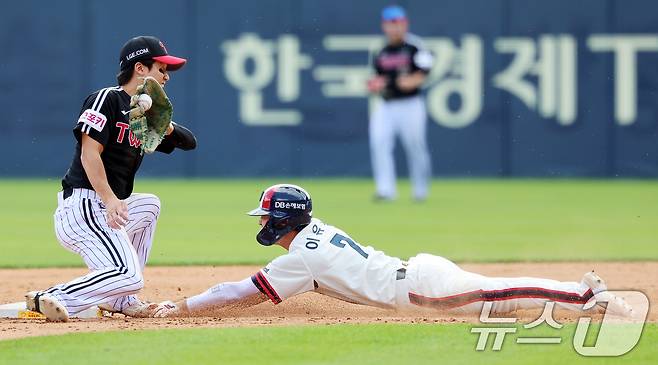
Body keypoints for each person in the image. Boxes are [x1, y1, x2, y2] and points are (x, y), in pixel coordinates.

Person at [153, 184, 632, 318]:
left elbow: (241, 292)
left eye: (263, 216)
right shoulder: (313, 232)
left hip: (421, 291)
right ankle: (583, 298)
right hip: (416, 274)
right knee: (497, 297)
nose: (259, 223)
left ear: (281, 220)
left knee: (499, 294)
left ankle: (586, 298)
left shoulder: (300, 257)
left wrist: (181, 307)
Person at [25, 36, 197, 322]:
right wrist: (109, 198)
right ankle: (51, 297)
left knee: (150, 205)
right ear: (140, 68)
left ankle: (122, 301)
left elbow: (189, 142)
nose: (166, 77)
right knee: (129, 274)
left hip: (108, 210)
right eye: (161, 69)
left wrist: (161, 123)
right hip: (84, 208)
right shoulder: (108, 99)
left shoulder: (147, 114)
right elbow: (89, 154)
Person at [366, 5, 433, 202]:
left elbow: (425, 70)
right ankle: (386, 190)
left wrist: (412, 80)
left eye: (398, 24)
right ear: (384, 26)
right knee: (379, 143)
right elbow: (375, 78)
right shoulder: (380, 48)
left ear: (405, 24)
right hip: (386, 104)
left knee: (415, 146)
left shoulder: (415, 46)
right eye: (390, 24)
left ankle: (420, 190)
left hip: (410, 104)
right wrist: (375, 84)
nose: (395, 28)